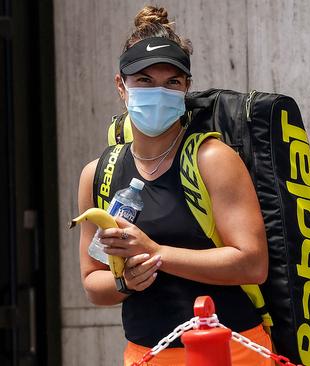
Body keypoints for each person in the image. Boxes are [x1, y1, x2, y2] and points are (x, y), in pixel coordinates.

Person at [76, 6, 272, 365]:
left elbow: (252, 263)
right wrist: (126, 283)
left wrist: (156, 253)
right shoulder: (99, 172)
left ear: (186, 88)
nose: (159, 92)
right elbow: (92, 282)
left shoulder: (212, 158)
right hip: (146, 355)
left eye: (172, 82)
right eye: (145, 81)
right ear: (121, 85)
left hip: (232, 351)